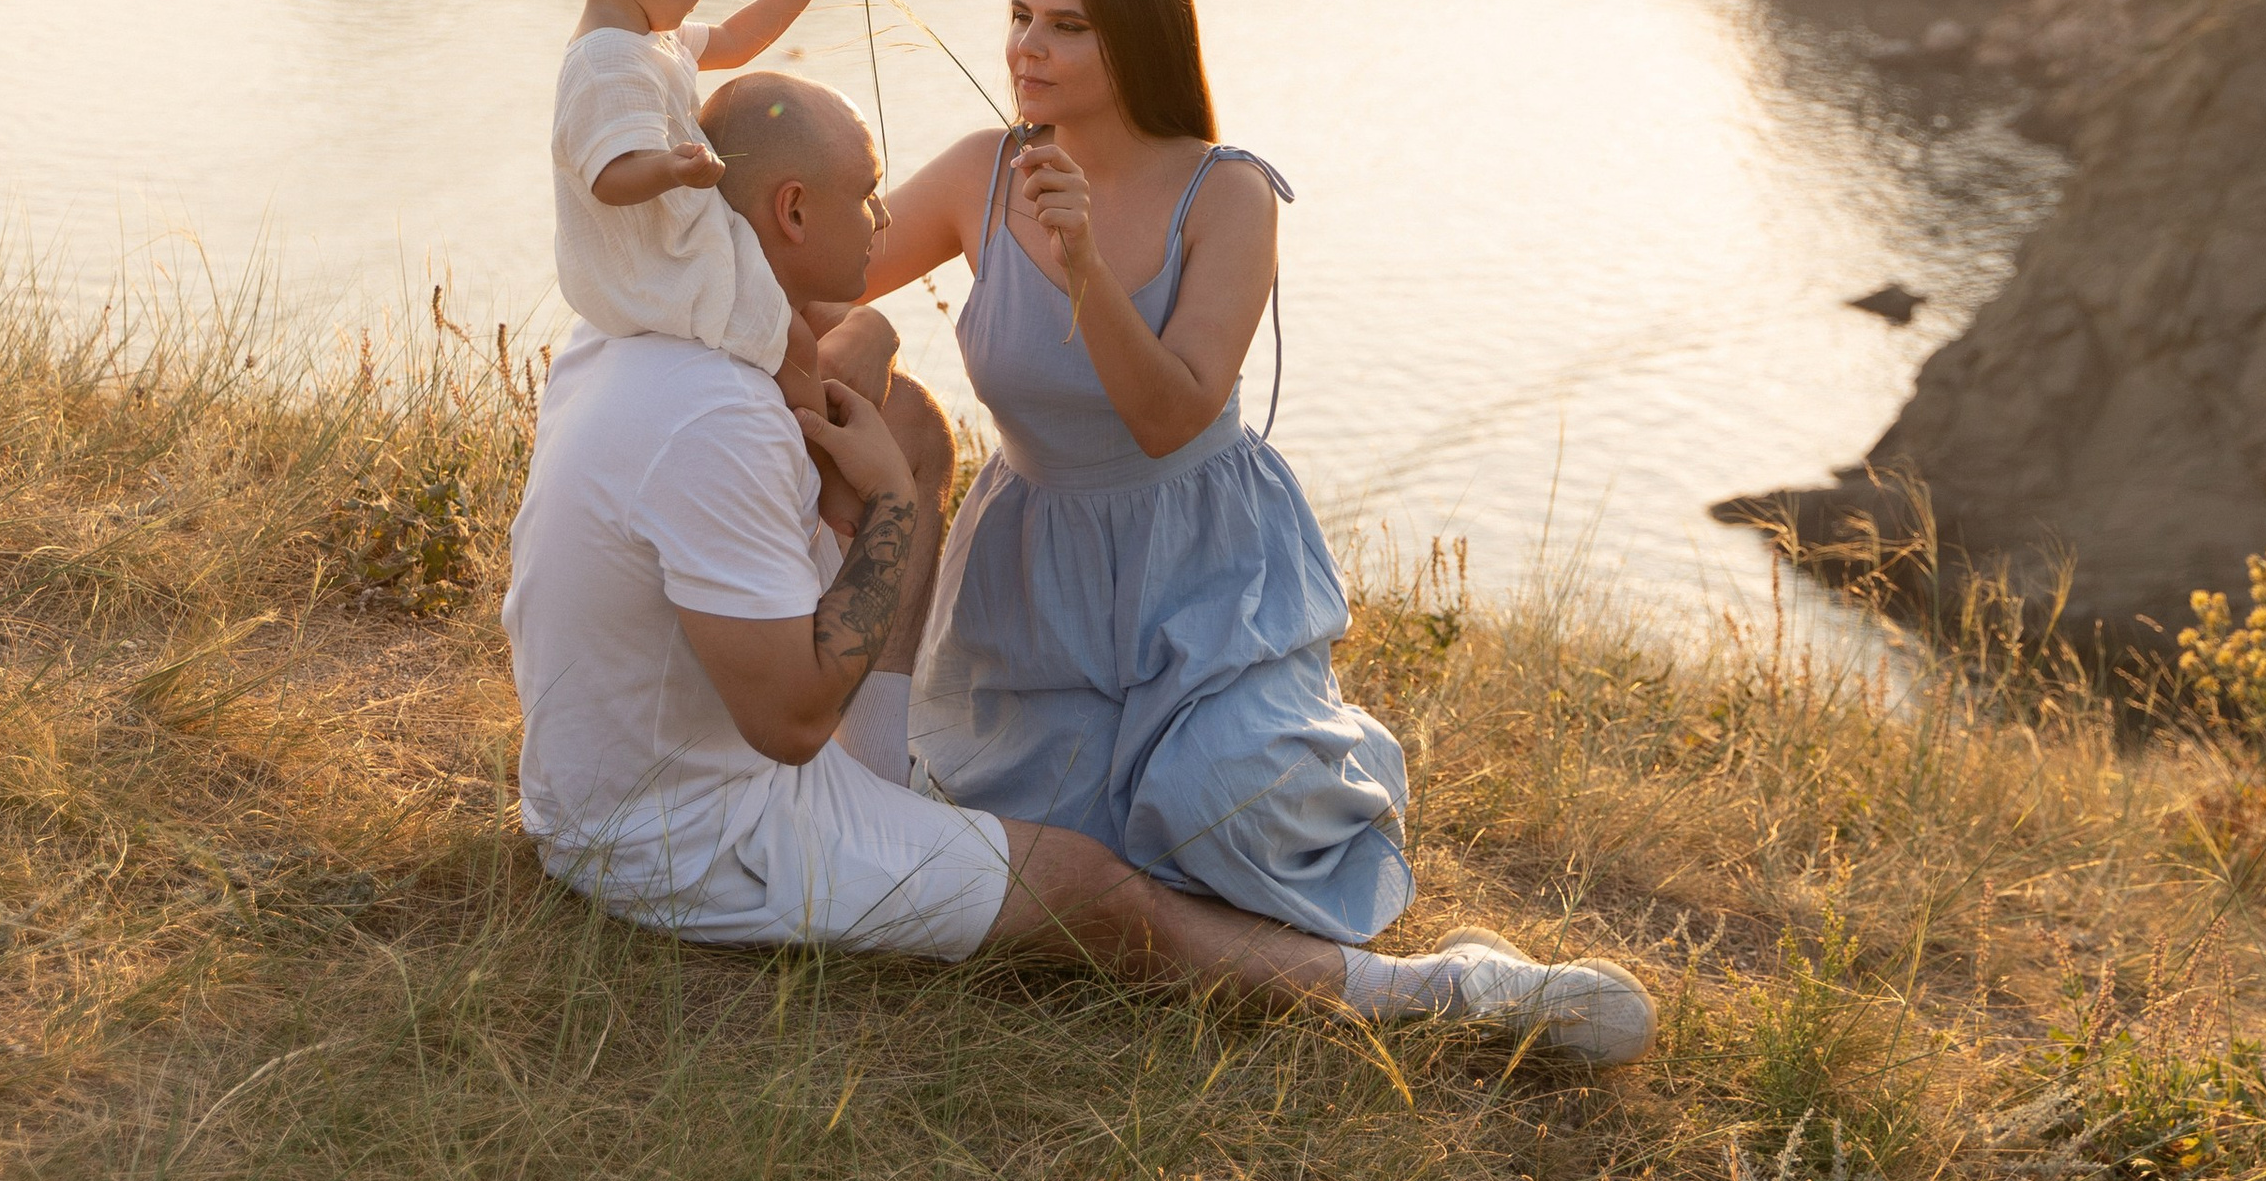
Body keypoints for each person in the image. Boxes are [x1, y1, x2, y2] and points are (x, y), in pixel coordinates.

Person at [503, 67, 1654, 1055]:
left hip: (626, 775)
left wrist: (882, 385)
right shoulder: (714, 422)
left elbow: (862, 368)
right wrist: (894, 506)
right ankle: (1430, 996)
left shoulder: (644, 328)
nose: (882, 220)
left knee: (900, 418)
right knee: (1088, 893)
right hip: (685, 839)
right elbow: (790, 722)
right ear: (794, 210)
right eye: (864, 194)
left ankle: (895, 783)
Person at [869, 0, 1651, 1054]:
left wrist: (1080, 266)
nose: (1027, 49)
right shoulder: (979, 174)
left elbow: (1166, 412)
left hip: (1199, 579)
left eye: (1067, 28)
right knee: (1055, 852)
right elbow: (810, 265)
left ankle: (1329, 769)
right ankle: (1266, 947)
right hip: (1032, 592)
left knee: (1208, 807)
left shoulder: (1227, 194)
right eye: (1020, 17)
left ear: (1137, 39)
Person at [542, 0, 865, 418]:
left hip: (683, 243)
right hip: (656, 271)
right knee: (793, 340)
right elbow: (609, 177)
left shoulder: (649, 38)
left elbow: (736, 39)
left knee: (810, 310)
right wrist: (669, 167)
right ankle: (812, 460)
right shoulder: (606, 61)